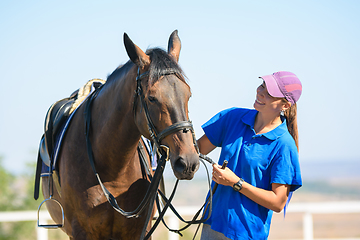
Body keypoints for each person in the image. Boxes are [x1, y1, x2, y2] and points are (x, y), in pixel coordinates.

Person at [197, 71, 303, 240]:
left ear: (285, 106)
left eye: (269, 93)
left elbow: (278, 202)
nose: (260, 92)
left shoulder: (284, 145)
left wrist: (235, 182)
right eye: (262, 86)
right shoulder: (232, 117)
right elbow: (197, 149)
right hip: (212, 224)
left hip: (245, 234)